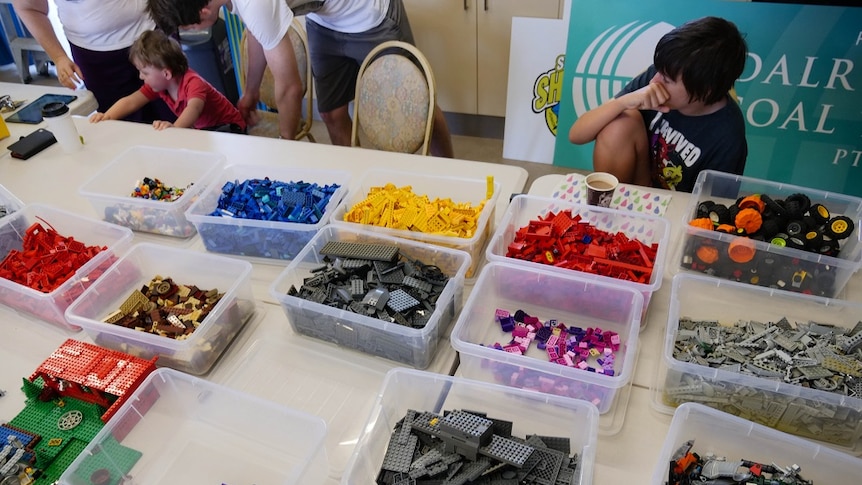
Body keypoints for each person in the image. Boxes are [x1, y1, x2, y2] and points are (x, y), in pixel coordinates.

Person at [145, 0, 454, 157]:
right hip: (327, 18)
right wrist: (250, 91)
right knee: (331, 112)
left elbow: (292, 87)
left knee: (419, 110)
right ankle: (358, 174)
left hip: (368, 13)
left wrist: (286, 144)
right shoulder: (241, 6)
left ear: (202, 8)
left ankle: (450, 167)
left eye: (193, 22)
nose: (197, 27)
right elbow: (257, 31)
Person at [568, 16, 748, 192]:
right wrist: (623, 102)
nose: (654, 81)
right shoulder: (656, 79)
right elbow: (576, 135)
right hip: (637, 188)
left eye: (667, 80)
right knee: (619, 121)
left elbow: (711, 209)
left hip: (677, 210)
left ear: (705, 89)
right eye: (659, 71)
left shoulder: (728, 138)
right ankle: (609, 205)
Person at [12, 0, 174, 123]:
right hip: (97, 56)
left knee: (179, 112)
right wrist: (59, 57)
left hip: (154, 32)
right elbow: (28, 7)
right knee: (124, 122)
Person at [89, 30, 245, 133]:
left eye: (144, 72)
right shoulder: (158, 86)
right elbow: (131, 101)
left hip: (230, 128)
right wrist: (106, 117)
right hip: (205, 129)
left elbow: (194, 108)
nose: (140, 77)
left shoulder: (193, 82)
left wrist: (175, 129)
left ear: (166, 74)